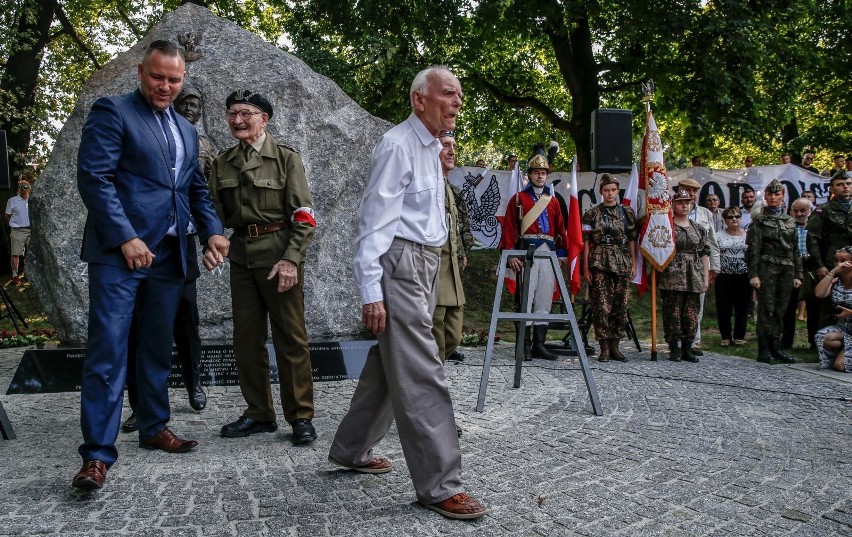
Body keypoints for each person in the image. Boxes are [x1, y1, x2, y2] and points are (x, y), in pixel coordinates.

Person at [328, 66, 486, 520]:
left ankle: (350, 450)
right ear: (420, 99)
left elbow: (427, 214)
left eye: (459, 95)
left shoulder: (432, 148)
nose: (457, 102)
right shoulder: (397, 145)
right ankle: (440, 485)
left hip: (426, 263)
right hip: (400, 264)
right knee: (422, 372)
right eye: (448, 94)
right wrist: (370, 291)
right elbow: (373, 224)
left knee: (388, 363)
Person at [72, 40, 228, 490]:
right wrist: (127, 237)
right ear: (141, 72)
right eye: (157, 77)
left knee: (156, 347)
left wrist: (214, 230)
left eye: (174, 79)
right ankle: (97, 456)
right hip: (119, 256)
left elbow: (193, 188)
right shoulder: (112, 111)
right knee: (108, 352)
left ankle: (154, 426)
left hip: (171, 255)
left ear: (183, 81)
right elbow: (94, 178)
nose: (165, 86)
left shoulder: (185, 128)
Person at [209, 90, 318, 446]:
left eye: (246, 114)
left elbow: (303, 216)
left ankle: (300, 416)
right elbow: (212, 214)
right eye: (231, 114)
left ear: (264, 119)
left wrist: (291, 259)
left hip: (277, 255)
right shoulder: (222, 162)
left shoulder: (286, 158)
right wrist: (211, 239)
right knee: (246, 341)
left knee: (291, 339)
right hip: (241, 257)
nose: (237, 121)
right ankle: (259, 413)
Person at [500, 153, 569, 360]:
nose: (540, 176)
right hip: (527, 251)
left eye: (543, 173)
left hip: (547, 252)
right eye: (537, 173)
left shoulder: (554, 201)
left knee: (544, 297)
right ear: (529, 175)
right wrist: (511, 254)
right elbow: (510, 228)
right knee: (525, 298)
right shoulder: (518, 199)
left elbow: (560, 229)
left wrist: (562, 253)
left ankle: (539, 344)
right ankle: (525, 345)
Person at [581, 174, 637, 362]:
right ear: (601, 192)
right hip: (600, 261)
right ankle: (604, 347)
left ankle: (615, 346)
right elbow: (586, 242)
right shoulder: (592, 213)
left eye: (613, 190)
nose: (610, 193)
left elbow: (631, 240)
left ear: (618, 191)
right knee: (601, 306)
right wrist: (586, 267)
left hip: (621, 261)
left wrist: (633, 263)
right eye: (606, 190)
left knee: (619, 305)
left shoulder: (627, 212)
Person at [747, 179, 802, 364]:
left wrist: (798, 274)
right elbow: (753, 249)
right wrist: (753, 274)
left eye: (776, 194)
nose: (772, 197)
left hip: (787, 267)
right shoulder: (760, 221)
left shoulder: (790, 221)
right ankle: (763, 349)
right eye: (769, 194)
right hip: (766, 266)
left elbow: (796, 250)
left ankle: (776, 347)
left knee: (781, 309)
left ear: (783, 196)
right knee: (766, 308)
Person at [432, 131, 474, 363]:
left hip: (451, 268)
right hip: (433, 268)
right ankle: (426, 386)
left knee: (453, 335)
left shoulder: (448, 188)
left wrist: (461, 253)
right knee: (434, 337)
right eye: (445, 145)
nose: (452, 151)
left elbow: (456, 228)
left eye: (454, 147)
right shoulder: (427, 185)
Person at [659, 189, 709, 362]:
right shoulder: (667, 226)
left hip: (694, 274)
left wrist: (706, 277)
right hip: (673, 274)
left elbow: (704, 253)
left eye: (687, 202)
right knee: (673, 311)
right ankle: (674, 347)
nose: (684, 206)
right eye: (680, 203)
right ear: (673, 205)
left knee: (691, 313)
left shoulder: (699, 229)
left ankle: (688, 347)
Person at [673, 178, 720, 356]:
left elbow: (711, 242)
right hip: (677, 267)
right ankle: (676, 342)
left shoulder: (705, 214)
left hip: (698, 266)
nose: (691, 194)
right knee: (677, 306)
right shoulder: (671, 213)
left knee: (696, 305)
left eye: (694, 191)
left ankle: (693, 342)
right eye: (687, 190)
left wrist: (714, 267)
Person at [807, 173, 852, 328]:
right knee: (828, 302)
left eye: (848, 183)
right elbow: (812, 239)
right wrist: (819, 265)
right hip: (832, 261)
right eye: (840, 184)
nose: (845, 187)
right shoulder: (823, 210)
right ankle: (824, 341)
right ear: (832, 188)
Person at [782, 198, 817, 350]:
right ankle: (786, 341)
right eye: (795, 211)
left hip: (811, 268)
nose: (799, 214)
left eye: (803, 210)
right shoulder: (787, 227)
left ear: (810, 211)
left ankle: (814, 341)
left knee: (814, 305)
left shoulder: (816, 227)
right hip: (792, 268)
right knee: (789, 306)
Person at [714, 207, 750, 346]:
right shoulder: (718, 235)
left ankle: (740, 336)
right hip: (724, 276)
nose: (734, 219)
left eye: (737, 216)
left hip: (743, 275)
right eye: (730, 217)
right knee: (724, 307)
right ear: (725, 220)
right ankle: (726, 336)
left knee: (742, 307)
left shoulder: (748, 235)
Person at [813, 246, 852, 373]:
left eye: (843, 260)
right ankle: (846, 349)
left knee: (841, 365)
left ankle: (844, 356)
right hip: (843, 330)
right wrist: (833, 272)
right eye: (836, 260)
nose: (839, 264)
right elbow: (819, 293)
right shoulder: (835, 281)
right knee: (822, 336)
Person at [5, 179, 31, 285]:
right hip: (17, 231)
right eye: (21, 187)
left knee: (30, 254)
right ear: (18, 188)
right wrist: (15, 224)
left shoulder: (32, 200)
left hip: (31, 230)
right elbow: (7, 215)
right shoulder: (12, 201)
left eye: (25, 187)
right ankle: (15, 275)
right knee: (15, 254)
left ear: (29, 188)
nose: (23, 189)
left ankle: (28, 274)